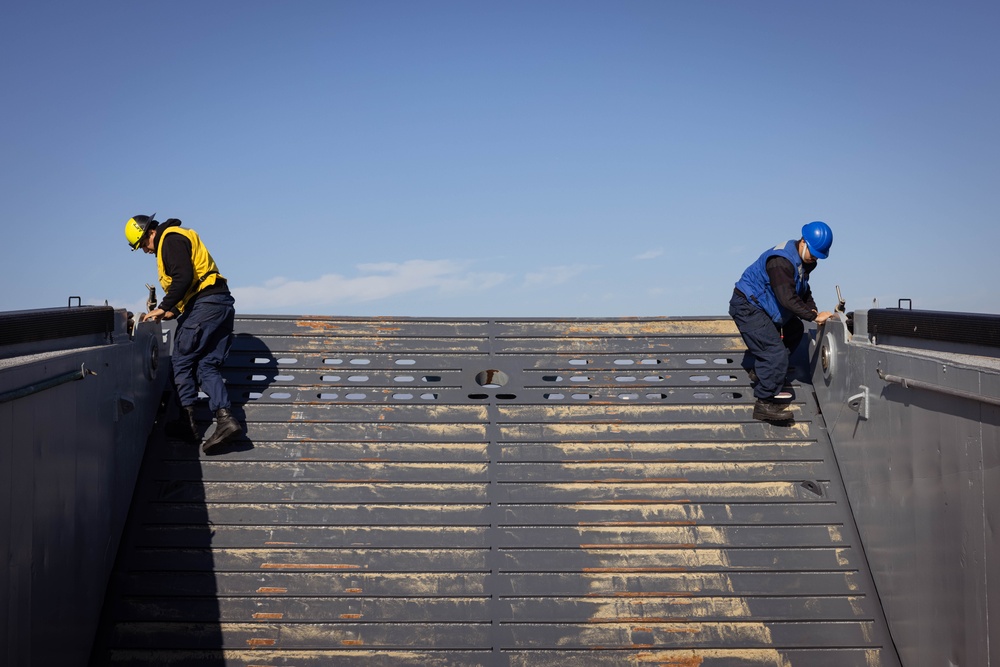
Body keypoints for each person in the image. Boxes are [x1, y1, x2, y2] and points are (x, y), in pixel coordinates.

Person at [124, 213, 243, 452]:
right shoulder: (177, 238)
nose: (146, 251)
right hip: (220, 304)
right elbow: (189, 283)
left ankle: (188, 424)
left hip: (206, 305)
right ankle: (225, 420)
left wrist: (163, 307)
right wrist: (173, 312)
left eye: (143, 245)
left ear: (149, 233)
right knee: (206, 365)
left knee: (180, 360)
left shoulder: (170, 239)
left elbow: (184, 277)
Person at [729, 221, 835, 422]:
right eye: (813, 253)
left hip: (763, 305)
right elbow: (787, 298)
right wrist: (813, 316)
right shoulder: (781, 262)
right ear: (803, 242)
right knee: (774, 352)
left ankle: (764, 373)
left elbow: (803, 290)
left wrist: (812, 308)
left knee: (795, 330)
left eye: (818, 256)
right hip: (747, 306)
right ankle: (764, 403)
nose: (814, 259)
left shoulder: (805, 261)